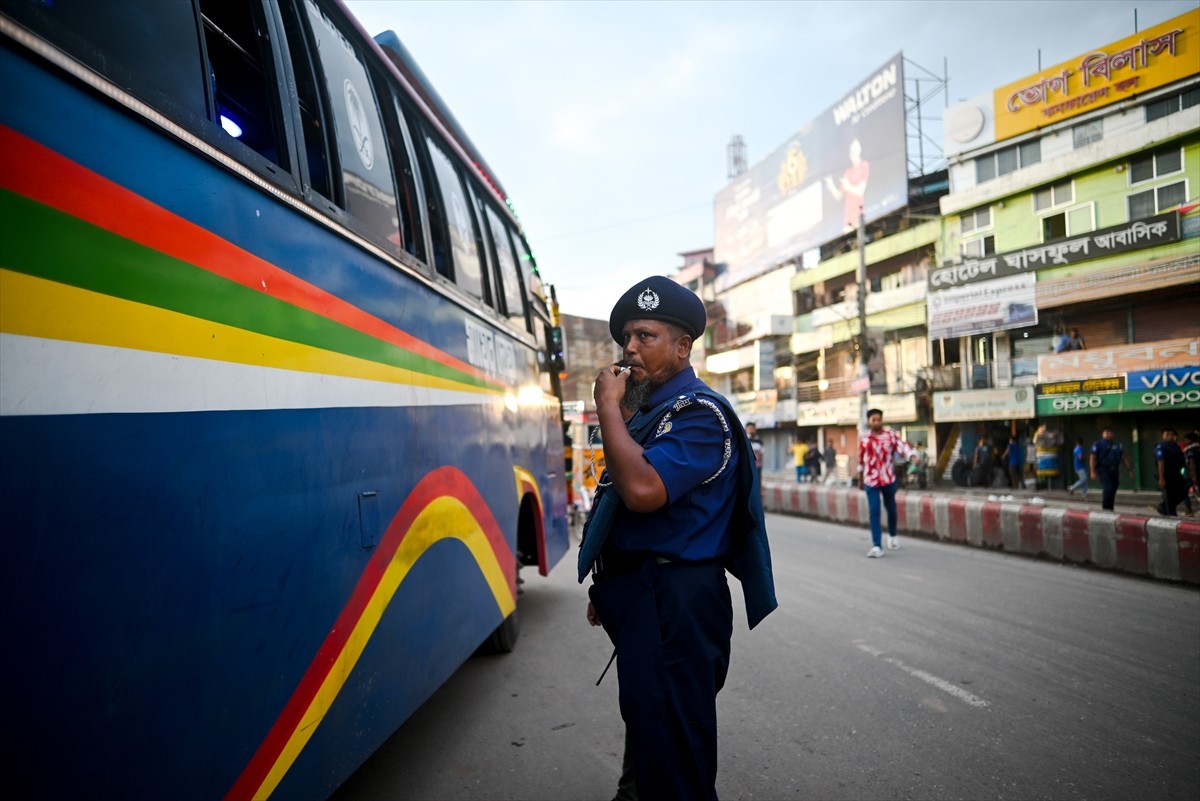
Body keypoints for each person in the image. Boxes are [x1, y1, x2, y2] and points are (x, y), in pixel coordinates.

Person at [578, 276, 777, 801]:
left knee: (675, 766)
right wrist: (611, 587)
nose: (630, 349)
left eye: (645, 336)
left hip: (677, 602)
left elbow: (642, 491)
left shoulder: (699, 414)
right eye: (626, 337)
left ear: (683, 346)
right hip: (647, 596)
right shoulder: (652, 413)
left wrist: (606, 410)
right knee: (651, 739)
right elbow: (623, 513)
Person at [858, 408, 915, 557]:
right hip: (871, 480)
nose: (876, 422)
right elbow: (860, 459)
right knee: (874, 510)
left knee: (891, 509)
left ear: (882, 420)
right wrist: (859, 478)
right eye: (873, 420)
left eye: (879, 419)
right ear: (869, 421)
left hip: (888, 479)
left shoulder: (890, 436)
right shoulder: (864, 439)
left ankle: (892, 535)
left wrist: (912, 456)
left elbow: (903, 447)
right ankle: (877, 546)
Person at [824, 138, 870, 229]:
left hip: (859, 218)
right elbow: (838, 196)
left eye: (855, 150)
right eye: (851, 151)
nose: (853, 153)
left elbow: (860, 191)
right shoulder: (847, 172)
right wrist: (831, 186)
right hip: (848, 221)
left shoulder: (864, 166)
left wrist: (848, 186)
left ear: (859, 150)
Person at [1090, 427, 1135, 511]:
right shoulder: (1098, 444)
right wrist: (1092, 472)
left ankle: (1110, 508)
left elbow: (1123, 458)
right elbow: (1092, 458)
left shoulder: (1117, 445)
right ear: (1102, 434)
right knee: (1108, 488)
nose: (1108, 434)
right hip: (1103, 469)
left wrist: (1130, 470)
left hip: (1114, 469)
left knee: (1113, 488)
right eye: (1106, 432)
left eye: (1110, 432)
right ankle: (1106, 509)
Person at [1154, 428, 1188, 517]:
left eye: (1171, 434)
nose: (1170, 436)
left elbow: (1182, 459)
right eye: (1167, 434)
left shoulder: (1176, 446)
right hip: (1166, 475)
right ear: (1163, 436)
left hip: (1177, 474)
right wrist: (1161, 478)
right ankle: (1171, 513)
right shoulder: (1160, 446)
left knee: (1183, 492)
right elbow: (1160, 461)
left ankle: (1163, 507)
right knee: (1169, 495)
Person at [1183, 431, 1200, 517]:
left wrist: (1193, 476)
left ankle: (1188, 511)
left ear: (1190, 440)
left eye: (1185, 439)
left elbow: (1191, 463)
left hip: (1191, 474)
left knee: (1184, 491)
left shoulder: (1189, 450)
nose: (1184, 441)